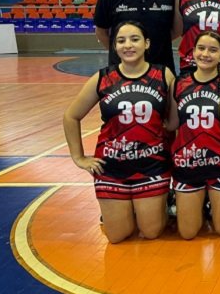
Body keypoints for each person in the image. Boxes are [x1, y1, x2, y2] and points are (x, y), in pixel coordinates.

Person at [63, 21, 175, 243]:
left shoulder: (163, 75)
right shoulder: (103, 78)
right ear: (114, 46)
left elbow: (172, 123)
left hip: (151, 165)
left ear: (147, 43)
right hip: (111, 166)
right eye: (121, 41)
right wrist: (79, 157)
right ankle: (123, 209)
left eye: (135, 39)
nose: (128, 45)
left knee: (151, 232)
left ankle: (164, 201)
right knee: (117, 236)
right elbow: (71, 116)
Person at [166, 31, 220, 239]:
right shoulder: (178, 83)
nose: (206, 54)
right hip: (186, 165)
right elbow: (172, 123)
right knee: (188, 233)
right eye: (201, 48)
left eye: (213, 50)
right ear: (193, 51)